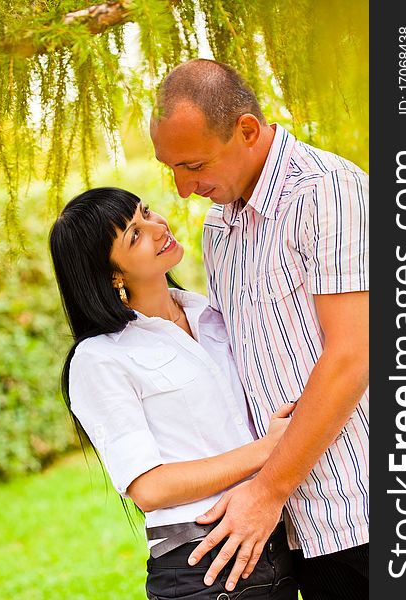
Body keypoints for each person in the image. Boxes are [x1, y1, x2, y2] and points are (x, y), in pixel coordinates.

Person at [150, 59, 369, 600]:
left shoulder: (327, 191)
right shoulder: (219, 228)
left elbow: (354, 355)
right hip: (296, 529)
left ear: (247, 130)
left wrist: (267, 492)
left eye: (194, 164)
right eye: (170, 168)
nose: (181, 189)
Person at [49, 186, 299, 599]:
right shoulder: (101, 358)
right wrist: (267, 450)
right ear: (112, 275)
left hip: (273, 546)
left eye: (145, 212)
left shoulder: (213, 314)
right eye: (135, 234)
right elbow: (150, 488)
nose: (157, 226)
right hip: (202, 568)